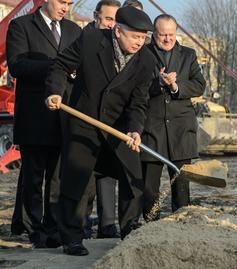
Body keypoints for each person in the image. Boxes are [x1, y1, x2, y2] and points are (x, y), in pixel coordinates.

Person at [44, 6, 156, 255]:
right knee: (77, 181)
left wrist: (135, 130)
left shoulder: (147, 60)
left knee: (131, 175)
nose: (140, 42)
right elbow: (60, 66)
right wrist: (55, 91)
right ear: (117, 31)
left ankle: (130, 231)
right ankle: (72, 237)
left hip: (117, 127)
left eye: (143, 37)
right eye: (135, 36)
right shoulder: (91, 40)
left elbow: (139, 102)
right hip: (84, 121)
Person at [6, 0, 81, 248]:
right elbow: (17, 65)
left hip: (63, 115)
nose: (66, 8)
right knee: (33, 178)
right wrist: (58, 67)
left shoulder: (73, 30)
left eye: (70, 3)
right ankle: (33, 229)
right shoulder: (21, 26)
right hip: (34, 114)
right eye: (62, 2)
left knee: (58, 178)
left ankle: (53, 227)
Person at [141, 14, 205, 216]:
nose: (167, 39)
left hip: (181, 130)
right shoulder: (143, 54)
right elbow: (136, 88)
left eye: (171, 34)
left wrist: (176, 86)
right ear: (154, 34)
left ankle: (180, 222)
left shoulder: (188, 54)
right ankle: (151, 222)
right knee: (149, 186)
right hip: (151, 128)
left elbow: (199, 85)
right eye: (162, 35)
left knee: (181, 184)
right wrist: (159, 83)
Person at [83, 0, 122, 239]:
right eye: (108, 19)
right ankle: (83, 224)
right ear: (96, 16)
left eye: (116, 20)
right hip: (86, 120)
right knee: (85, 179)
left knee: (108, 176)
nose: (112, 25)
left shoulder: (118, 43)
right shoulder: (83, 38)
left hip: (110, 121)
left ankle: (107, 224)